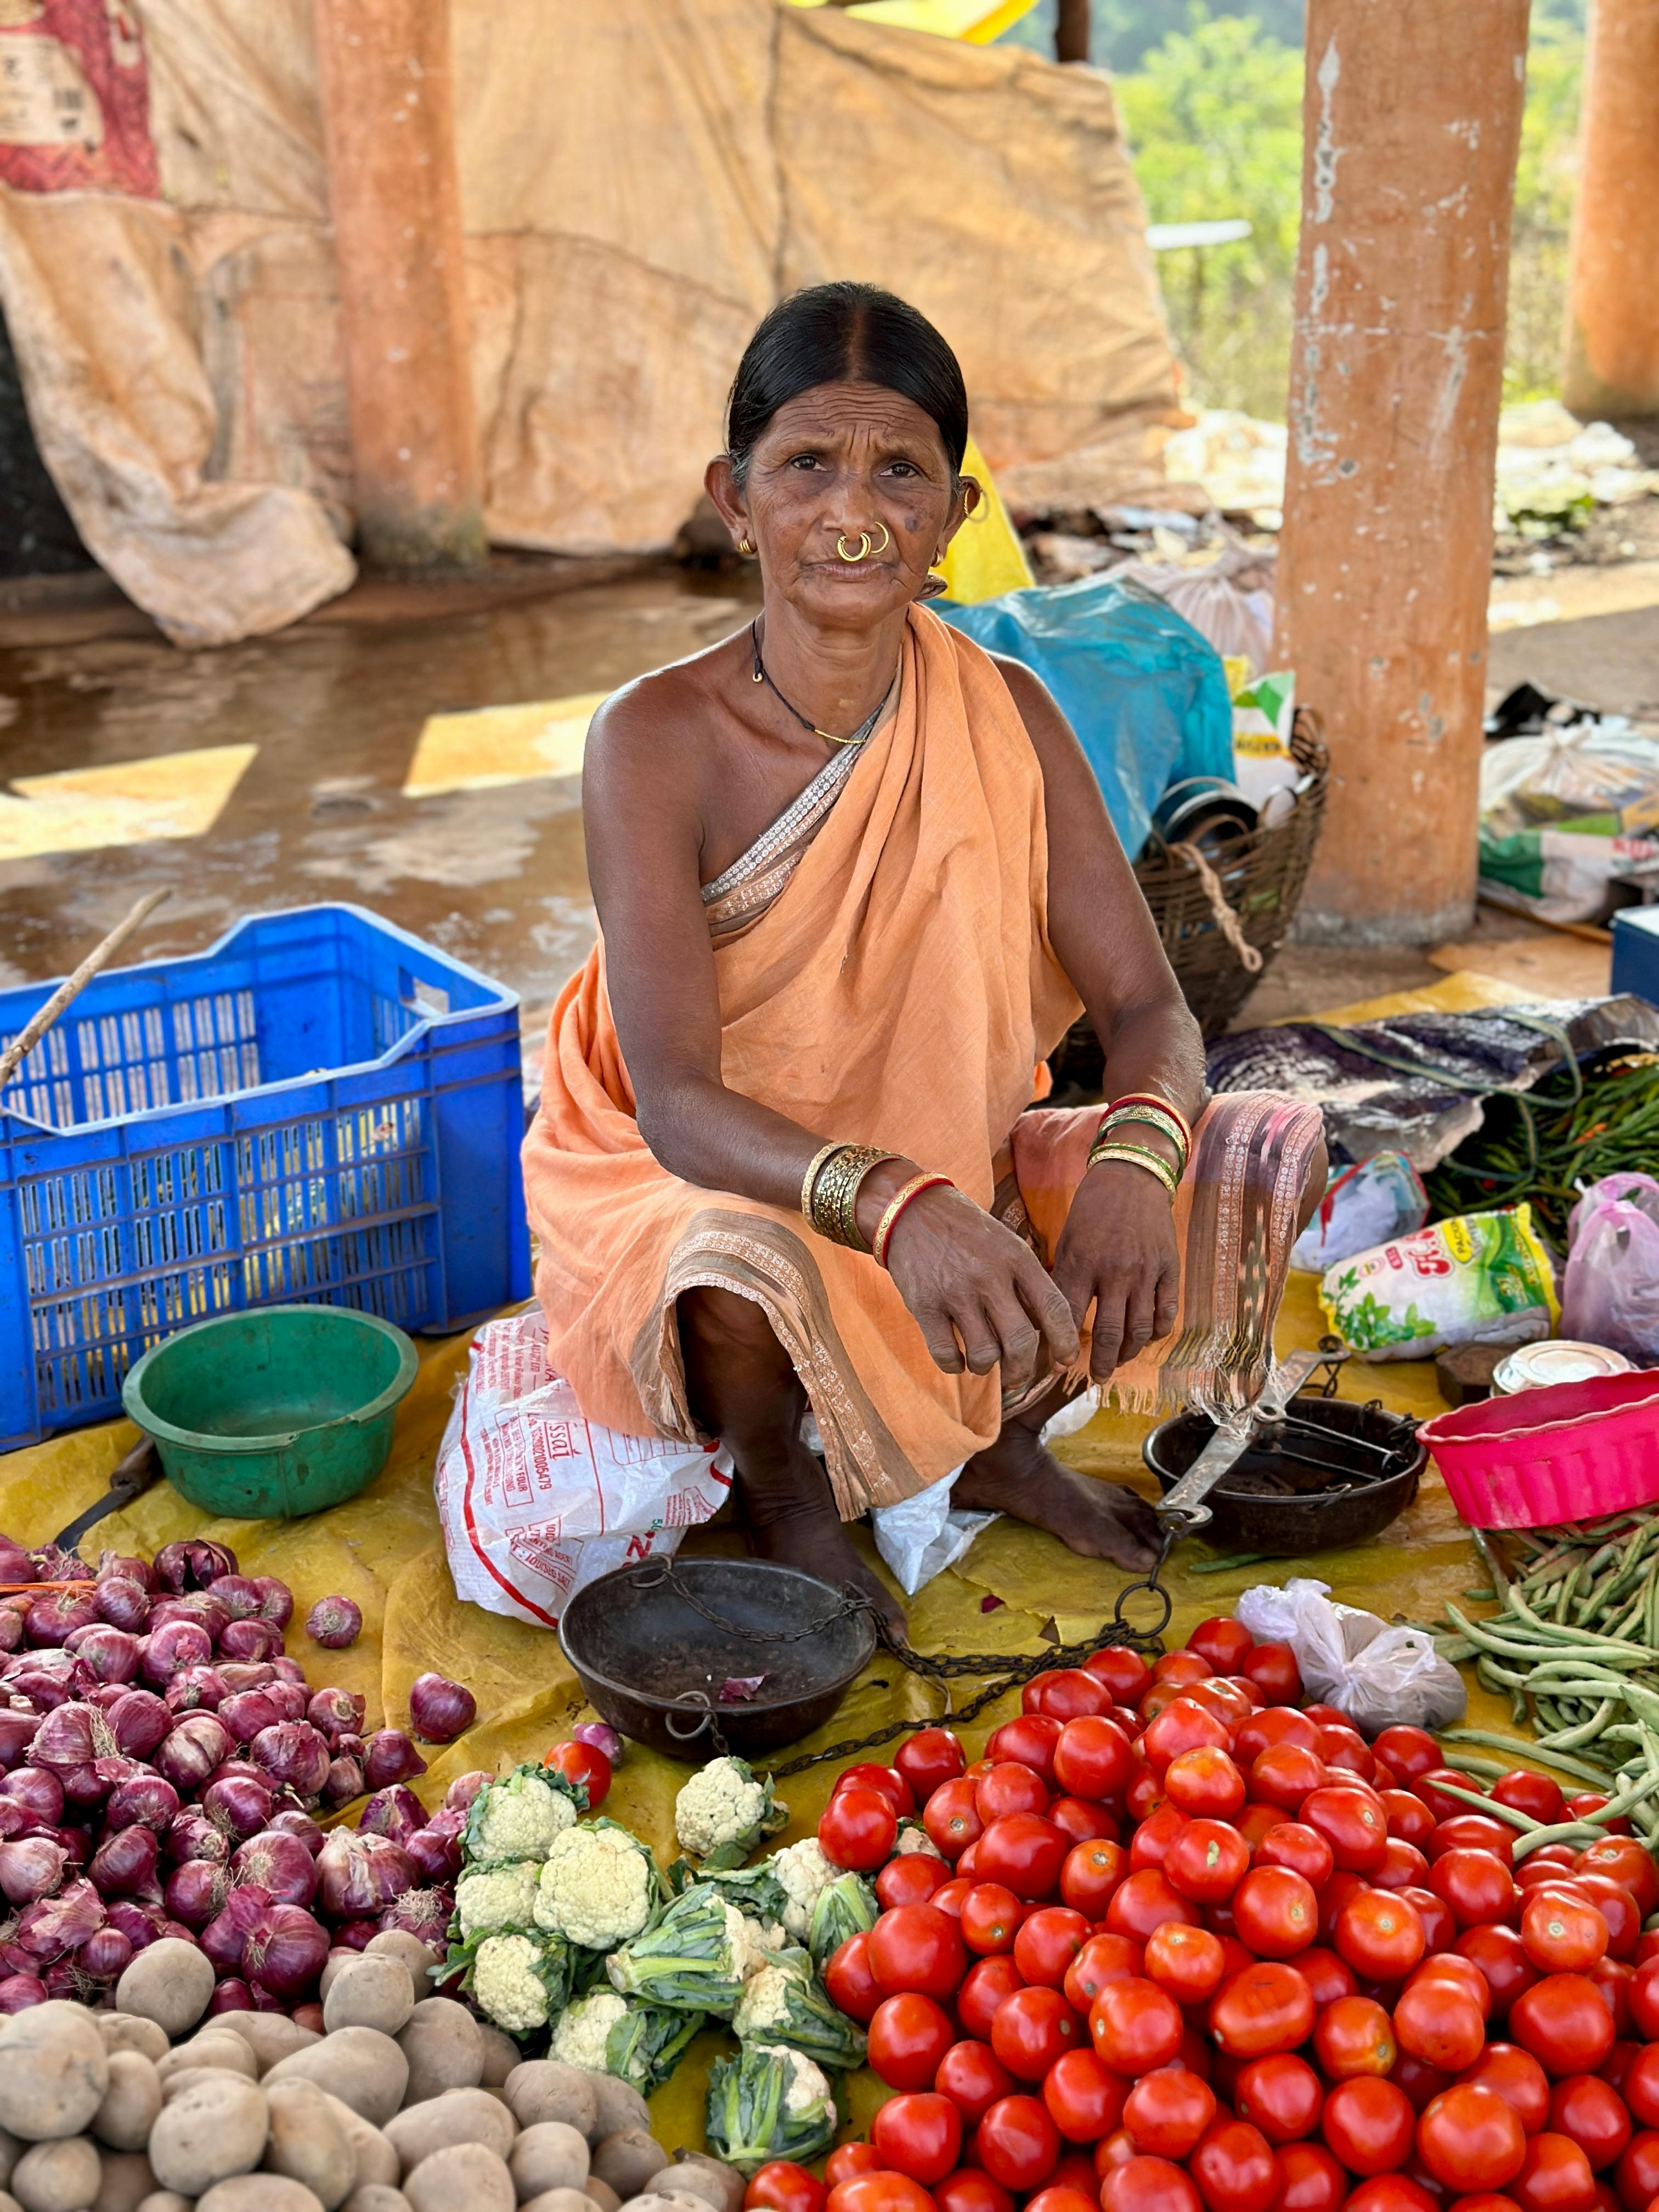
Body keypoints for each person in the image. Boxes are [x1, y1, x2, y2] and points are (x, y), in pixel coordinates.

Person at [522, 281, 1326, 1630]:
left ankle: (1000, 1442)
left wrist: (1136, 1158)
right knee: (731, 1257)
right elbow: (673, 1106)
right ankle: (782, 1490)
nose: (853, 509)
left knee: (1249, 1156)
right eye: (807, 466)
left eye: (900, 469)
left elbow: (1146, 1008)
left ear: (955, 515)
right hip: (716, 1176)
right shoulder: (654, 738)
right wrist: (900, 1204)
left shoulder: (1006, 709)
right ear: (735, 498)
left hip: (951, 1169)